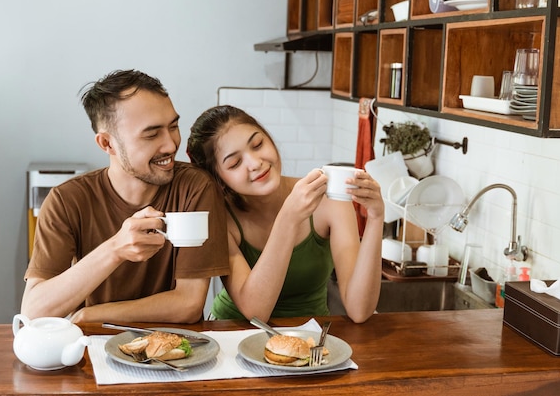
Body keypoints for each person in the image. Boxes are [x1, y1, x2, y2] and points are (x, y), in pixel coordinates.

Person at [21, 70, 230, 324]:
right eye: (152, 134)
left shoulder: (195, 188)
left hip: (172, 351)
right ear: (107, 144)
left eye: (173, 126)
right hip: (93, 351)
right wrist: (115, 249)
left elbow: (188, 305)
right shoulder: (66, 200)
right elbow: (33, 311)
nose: (171, 145)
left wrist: (90, 315)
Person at [187, 105, 384, 323]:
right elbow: (256, 312)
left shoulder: (327, 199)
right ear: (219, 179)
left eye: (258, 144)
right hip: (234, 331)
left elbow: (360, 311)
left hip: (311, 335)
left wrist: (376, 217)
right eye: (235, 163)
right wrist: (288, 218)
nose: (255, 163)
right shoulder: (221, 217)